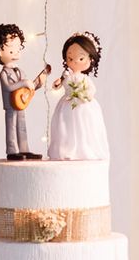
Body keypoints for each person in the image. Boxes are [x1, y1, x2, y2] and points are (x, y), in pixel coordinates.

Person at [0, 23, 51, 160]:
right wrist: (24, 83)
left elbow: (26, 89)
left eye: (18, 49)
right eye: (11, 51)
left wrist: (38, 84)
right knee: (11, 126)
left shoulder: (20, 71)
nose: (16, 53)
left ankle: (24, 149)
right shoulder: (4, 73)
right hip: (10, 105)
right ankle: (12, 150)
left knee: (22, 126)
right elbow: (8, 87)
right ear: (0, 52)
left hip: (20, 103)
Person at [46, 31, 108, 162]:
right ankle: (66, 148)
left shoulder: (85, 78)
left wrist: (85, 95)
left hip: (84, 104)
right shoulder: (66, 75)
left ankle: (84, 148)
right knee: (66, 127)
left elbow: (91, 89)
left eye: (80, 58)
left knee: (84, 126)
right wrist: (57, 83)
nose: (74, 62)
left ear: (91, 59)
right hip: (67, 104)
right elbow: (59, 84)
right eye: (70, 59)